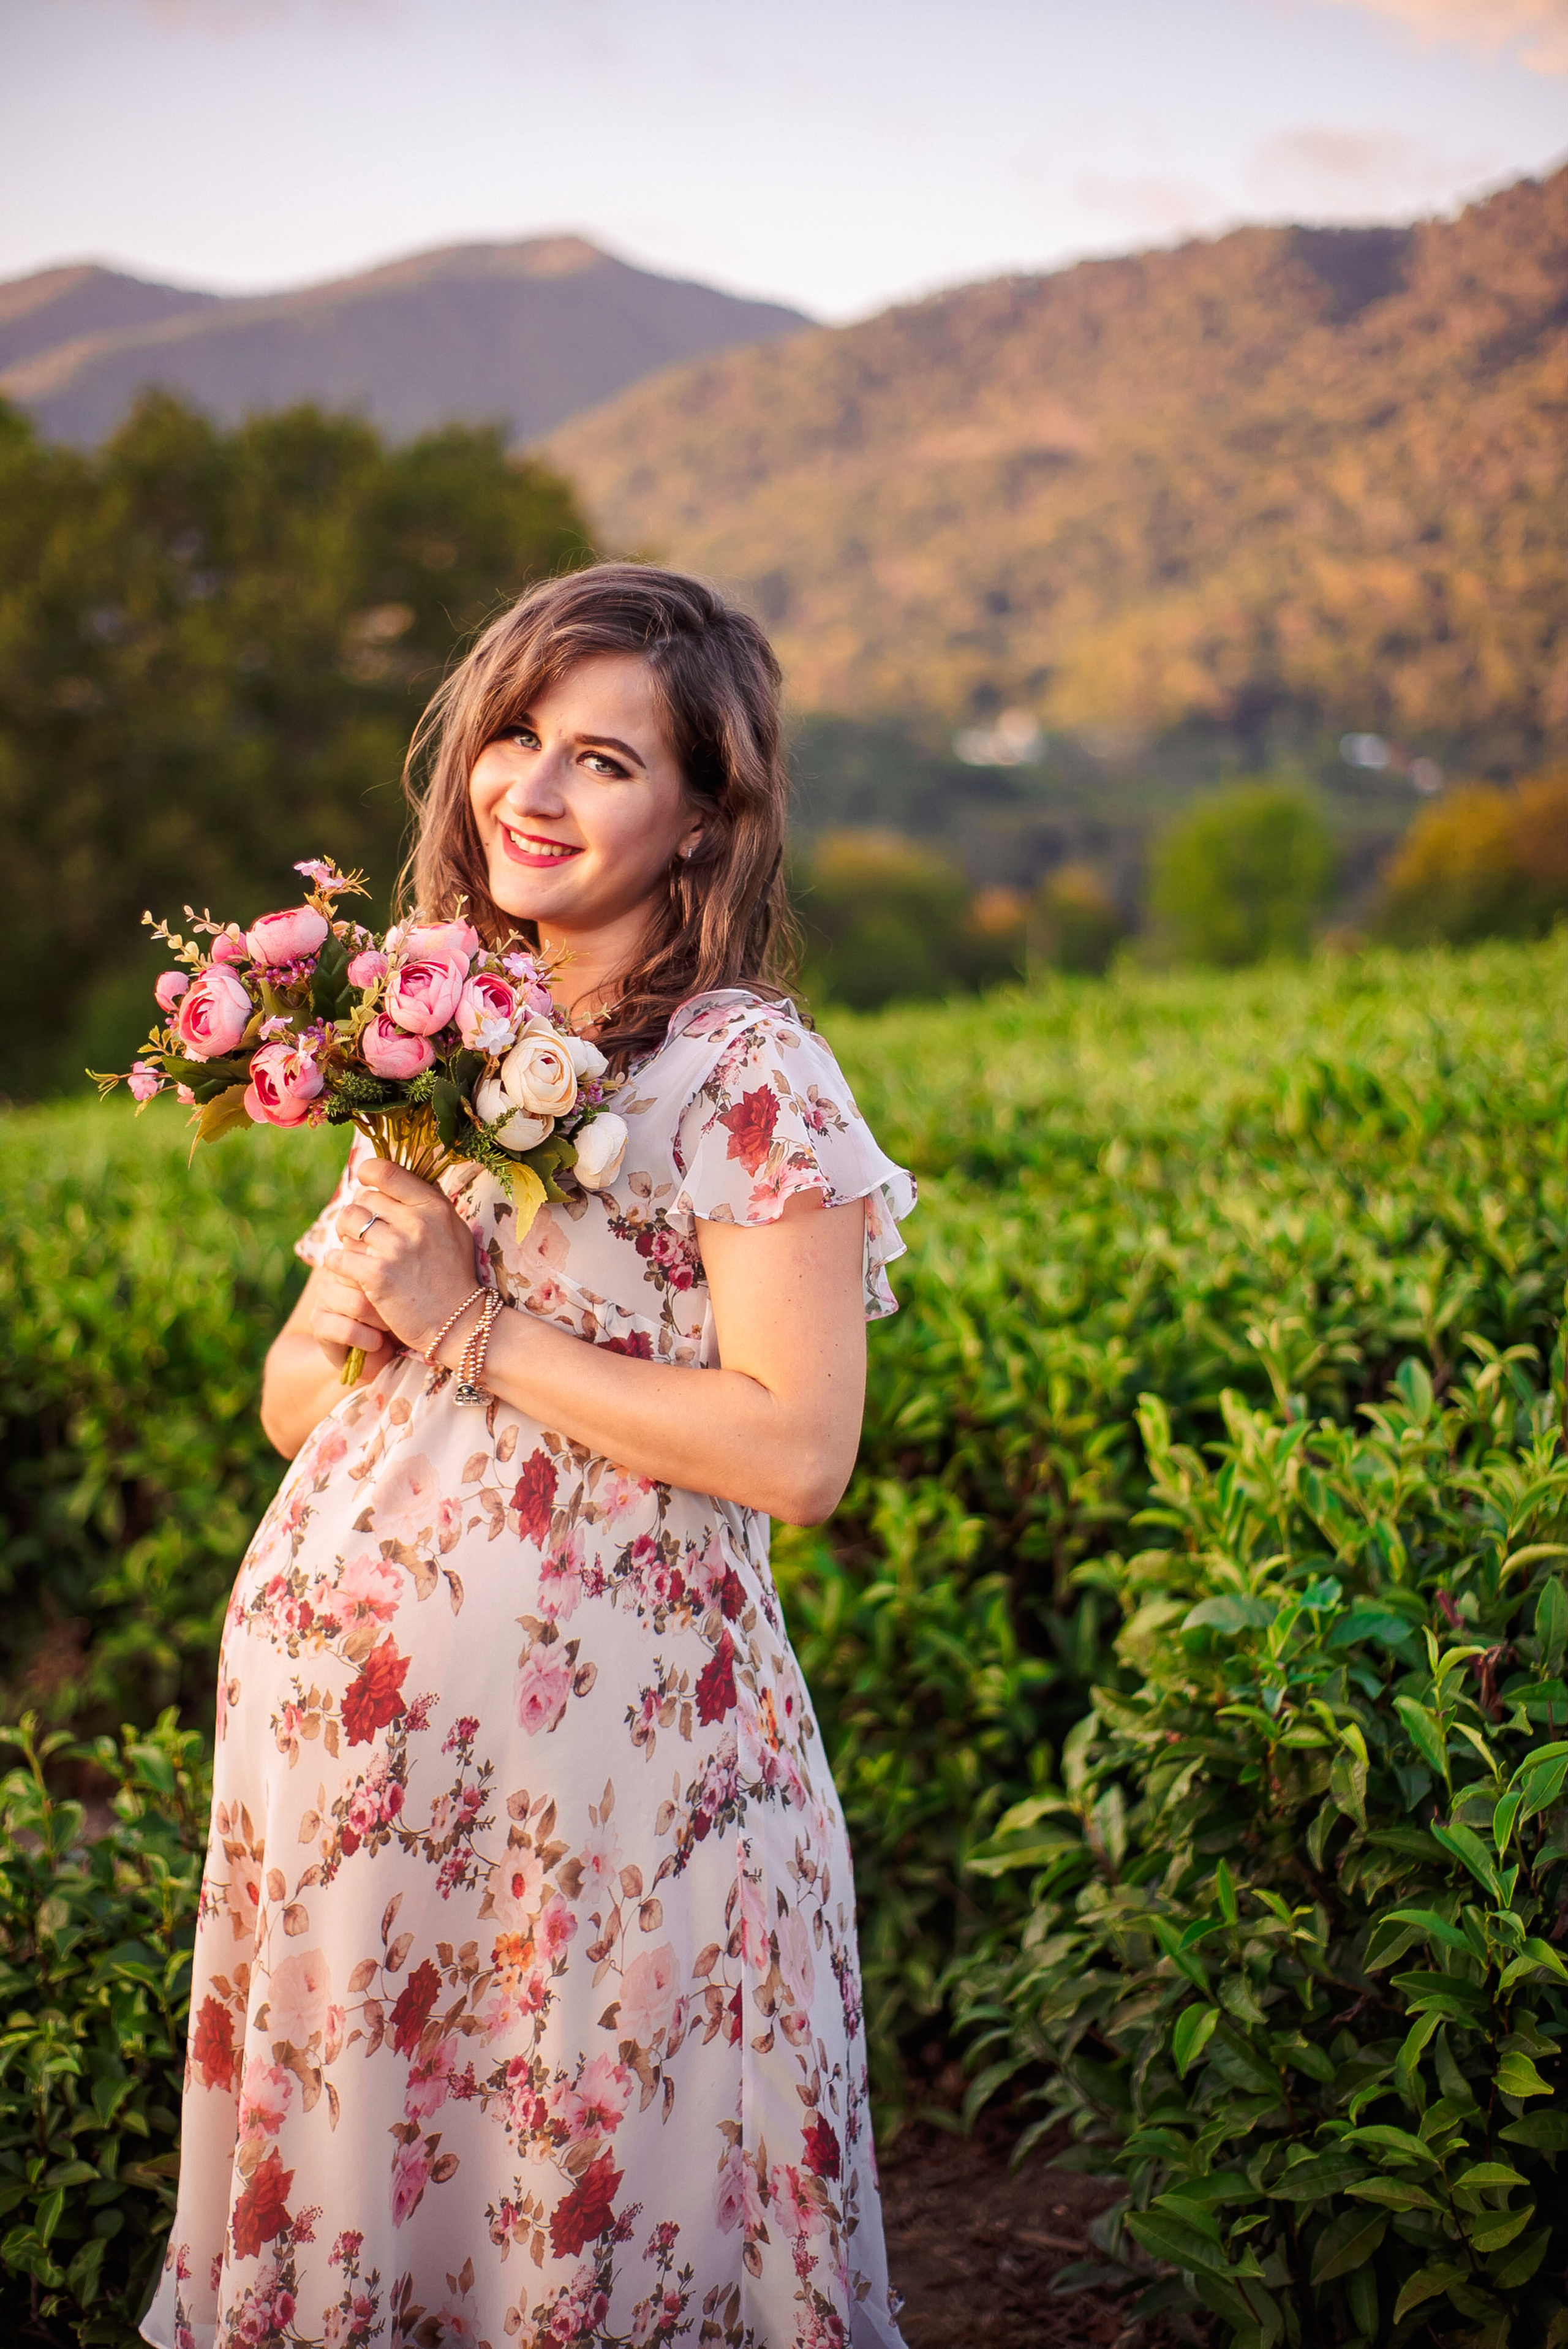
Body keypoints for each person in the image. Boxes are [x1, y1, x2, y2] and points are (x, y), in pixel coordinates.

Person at [142, 564, 915, 2349]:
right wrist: (369, 1295)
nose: (535, 791)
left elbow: (796, 1448)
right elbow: (297, 1404)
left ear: (704, 816)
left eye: (604, 760)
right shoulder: (448, 1041)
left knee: (594, 2239)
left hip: (611, 1819)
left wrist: (477, 1326)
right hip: (367, 1820)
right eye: (513, 735)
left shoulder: (747, 1076)